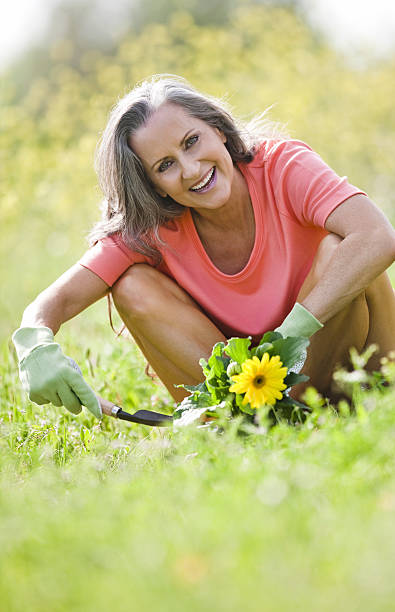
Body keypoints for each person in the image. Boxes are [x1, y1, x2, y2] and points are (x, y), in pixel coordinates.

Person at [12, 75, 395, 419]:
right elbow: (51, 304)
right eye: (165, 165)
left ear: (219, 129)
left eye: (191, 142)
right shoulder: (155, 227)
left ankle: (298, 413)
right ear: (154, 186)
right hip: (248, 395)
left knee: (338, 247)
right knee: (131, 285)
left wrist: (293, 332)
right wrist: (34, 345)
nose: (192, 169)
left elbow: (377, 237)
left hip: (355, 376)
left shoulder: (283, 167)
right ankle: (246, 420)